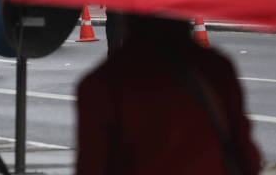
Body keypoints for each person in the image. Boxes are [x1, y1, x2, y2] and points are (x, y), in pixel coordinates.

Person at [76, 15, 261, 175]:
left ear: (127, 20)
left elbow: (91, 166)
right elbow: (247, 157)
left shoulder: (101, 84)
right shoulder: (216, 69)